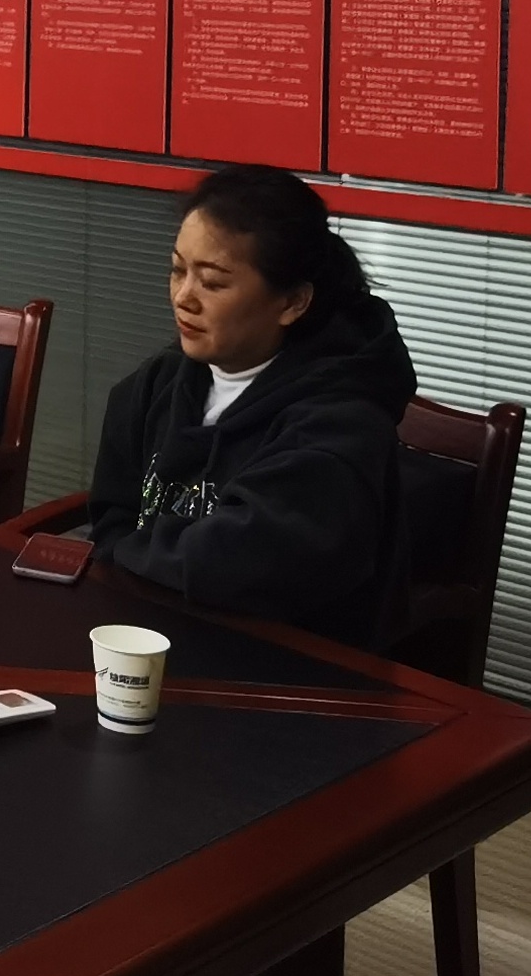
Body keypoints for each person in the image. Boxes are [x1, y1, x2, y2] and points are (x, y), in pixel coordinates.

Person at [83, 165, 417, 645]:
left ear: (293, 302)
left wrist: (130, 554)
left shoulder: (341, 423)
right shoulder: (157, 383)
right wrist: (131, 557)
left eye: (213, 282)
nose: (183, 298)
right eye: (178, 270)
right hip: (155, 630)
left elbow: (238, 562)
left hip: (283, 662)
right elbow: (112, 518)